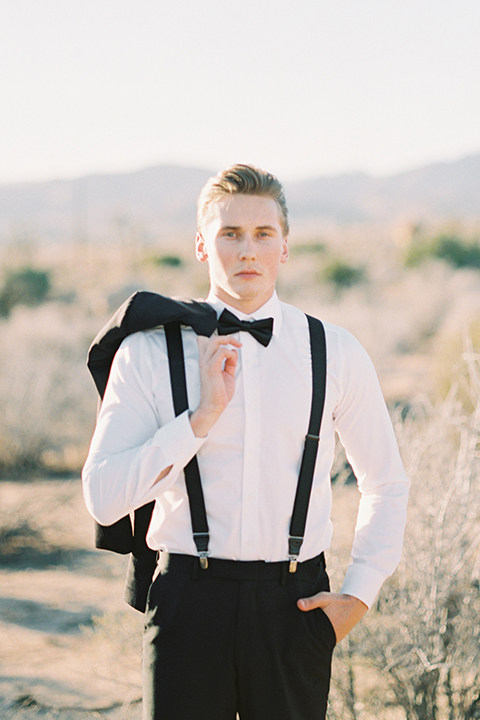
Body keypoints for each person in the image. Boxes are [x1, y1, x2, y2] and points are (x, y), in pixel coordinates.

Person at [82, 164, 409, 720]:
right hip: (187, 599)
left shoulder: (335, 351)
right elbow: (104, 496)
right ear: (202, 245)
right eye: (229, 234)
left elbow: (385, 480)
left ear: (285, 247)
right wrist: (200, 417)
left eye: (263, 234)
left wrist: (359, 594)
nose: (247, 251)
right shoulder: (149, 353)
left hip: (295, 604)